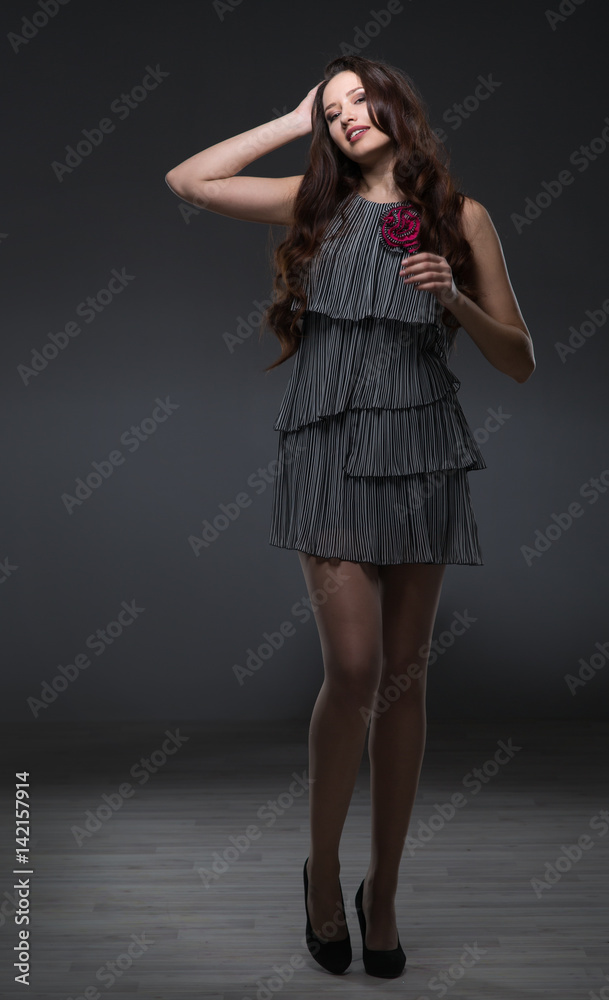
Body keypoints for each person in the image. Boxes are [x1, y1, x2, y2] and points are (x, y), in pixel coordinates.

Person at [165, 54, 535, 980]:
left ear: (396, 105)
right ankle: (323, 874)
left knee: (404, 679)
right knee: (357, 669)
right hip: (327, 449)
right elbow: (190, 181)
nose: (347, 117)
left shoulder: (463, 218)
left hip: (422, 451)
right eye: (332, 111)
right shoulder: (314, 204)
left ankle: (385, 894)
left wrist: (451, 297)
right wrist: (291, 120)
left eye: (358, 100)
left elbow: (519, 359)